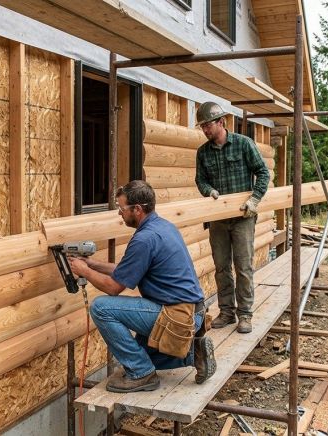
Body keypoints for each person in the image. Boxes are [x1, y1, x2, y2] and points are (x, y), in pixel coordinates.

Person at [67, 180, 216, 393]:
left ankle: (142, 373)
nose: (119, 213)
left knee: (101, 307)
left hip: (178, 316)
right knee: (144, 354)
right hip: (191, 312)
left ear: (137, 209)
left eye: (122, 208)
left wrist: (85, 272)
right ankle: (194, 353)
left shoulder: (144, 239)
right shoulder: (162, 226)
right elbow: (125, 270)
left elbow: (113, 288)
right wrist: (92, 264)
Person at [194, 101, 270, 334]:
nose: (205, 130)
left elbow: (263, 172)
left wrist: (254, 199)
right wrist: (209, 191)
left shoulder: (243, 144)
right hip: (218, 218)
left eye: (208, 125)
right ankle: (227, 312)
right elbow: (200, 180)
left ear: (221, 122)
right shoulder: (203, 152)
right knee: (221, 266)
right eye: (202, 126)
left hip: (243, 216)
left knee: (243, 266)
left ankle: (245, 314)